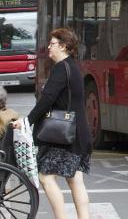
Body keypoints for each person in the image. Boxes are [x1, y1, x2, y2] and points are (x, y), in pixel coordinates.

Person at [14, 28, 92, 219]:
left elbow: (47, 99)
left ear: (63, 46)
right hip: (79, 132)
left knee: (46, 177)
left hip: (64, 135)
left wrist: (27, 121)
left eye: (52, 43)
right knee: (75, 179)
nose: (48, 47)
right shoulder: (73, 67)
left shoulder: (61, 68)